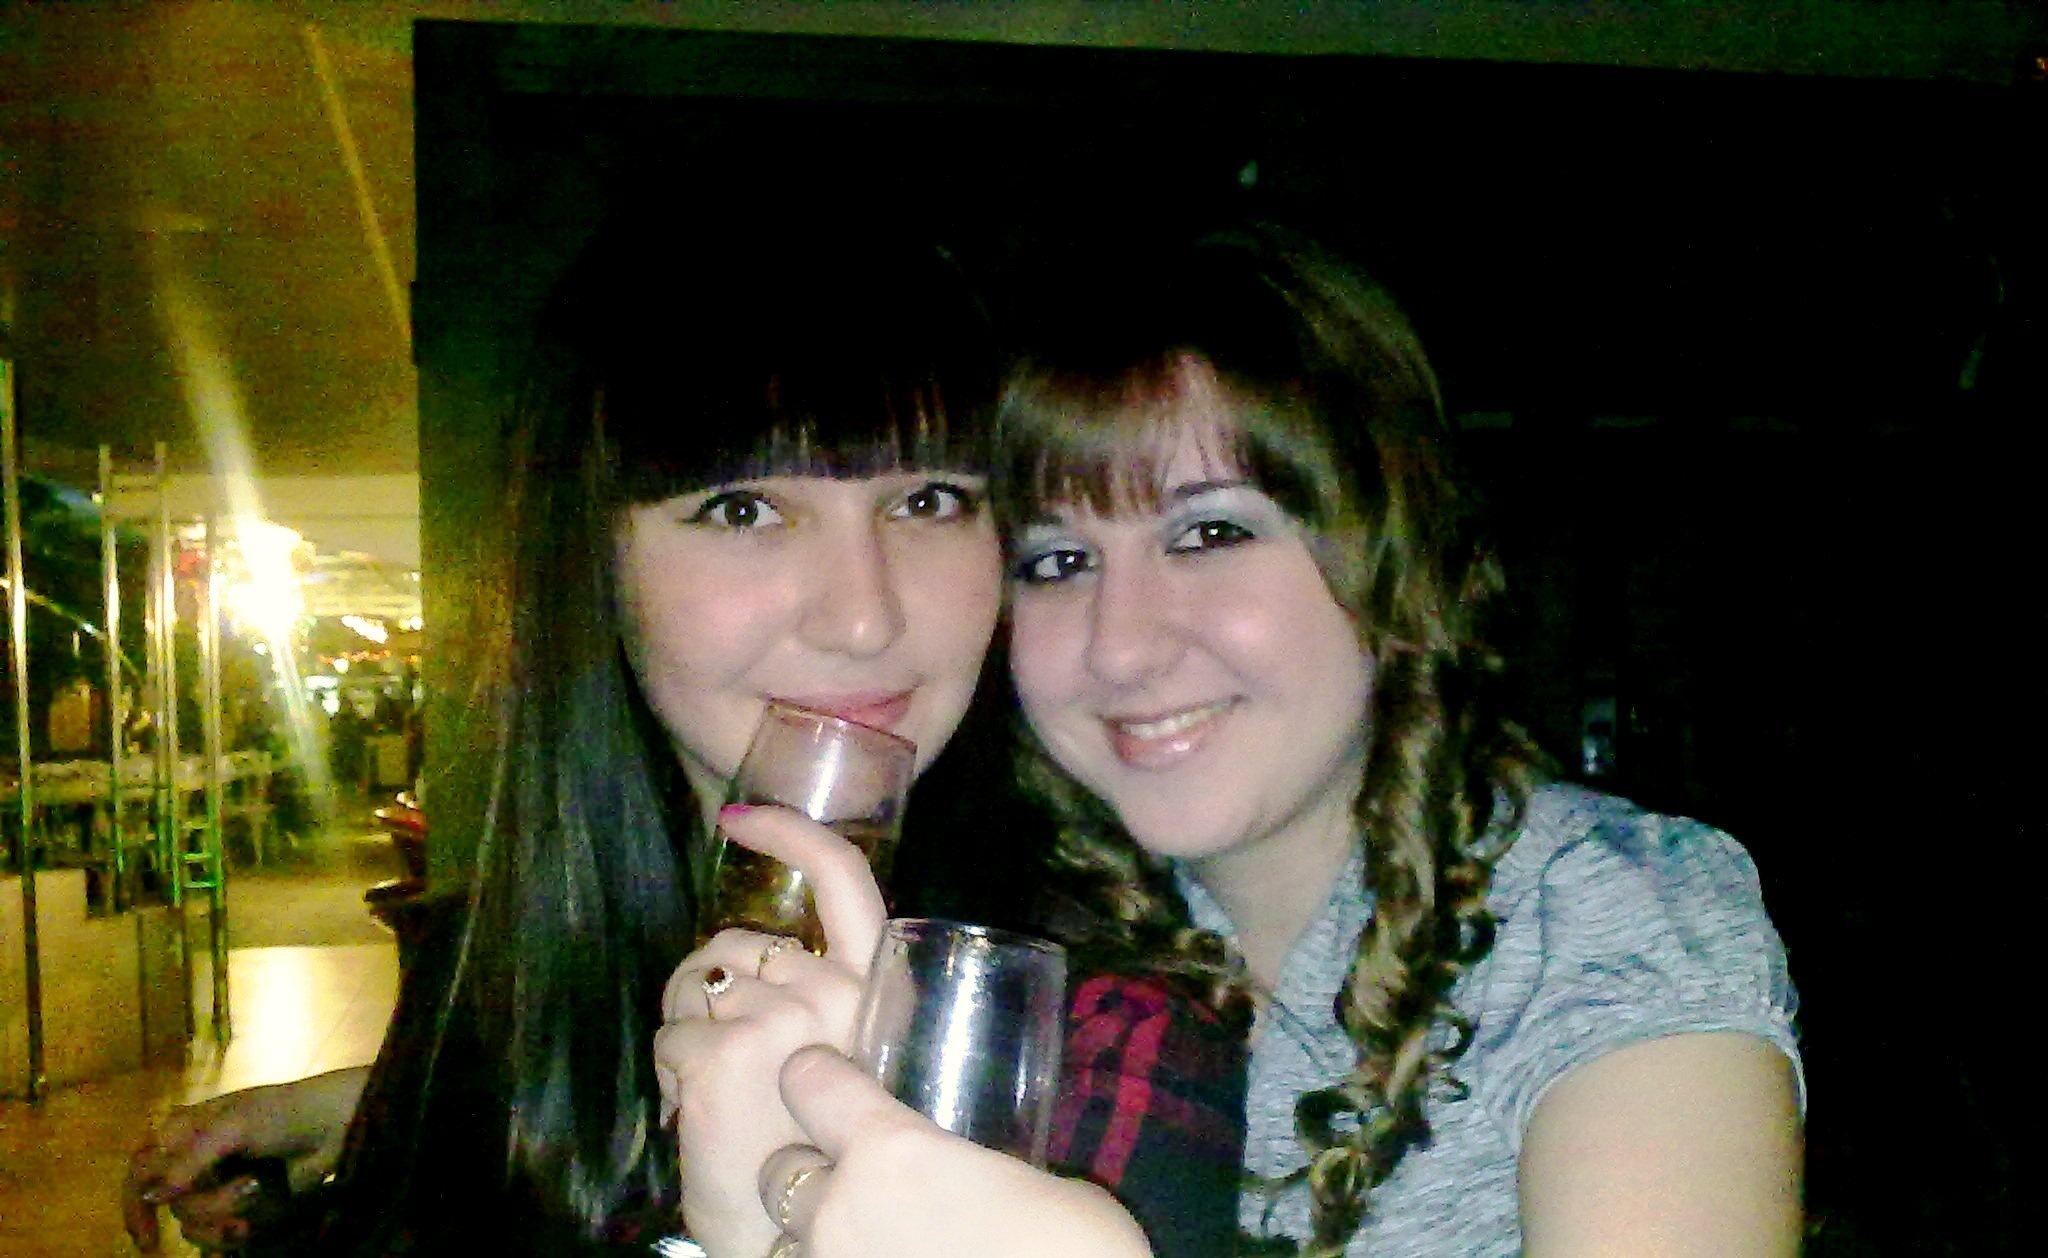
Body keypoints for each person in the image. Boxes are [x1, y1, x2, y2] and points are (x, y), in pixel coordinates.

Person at [654, 223, 1805, 1257]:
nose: (1120, 647)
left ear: (1392, 558)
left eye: (1207, 534)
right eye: (1059, 560)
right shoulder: (1011, 944)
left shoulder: (1600, 912)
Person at [121, 197, 1032, 1255]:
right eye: (745, 510)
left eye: (928, 501)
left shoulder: (1074, 1032)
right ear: (591, 560)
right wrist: (376, 1132)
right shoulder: (504, 971)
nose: (864, 617)